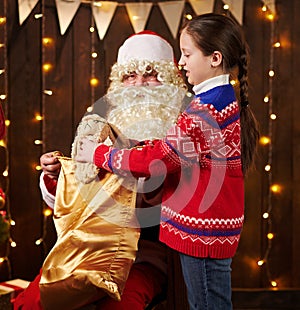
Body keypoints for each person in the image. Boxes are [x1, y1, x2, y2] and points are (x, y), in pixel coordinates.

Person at [76, 13, 260, 310]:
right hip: (212, 225)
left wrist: (100, 155)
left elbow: (159, 160)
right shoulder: (221, 98)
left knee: (207, 305)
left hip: (200, 229)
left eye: (187, 54)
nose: (182, 62)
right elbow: (176, 149)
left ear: (214, 58)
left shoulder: (204, 110)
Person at [14, 31, 188, 310]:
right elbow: (79, 197)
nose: (139, 85)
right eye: (130, 76)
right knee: (35, 301)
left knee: (121, 306)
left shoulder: (184, 130)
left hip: (147, 257)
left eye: (151, 75)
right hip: (88, 254)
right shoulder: (101, 128)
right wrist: (58, 176)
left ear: (170, 82)